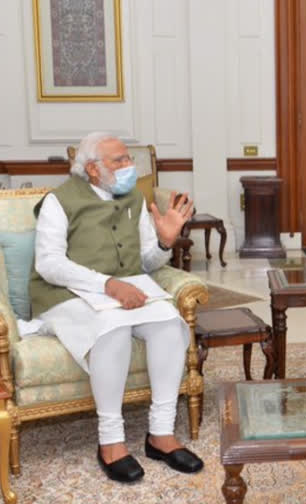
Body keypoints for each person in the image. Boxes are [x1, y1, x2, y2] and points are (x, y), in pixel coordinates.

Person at [29, 132, 203, 483]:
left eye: (129, 159)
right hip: (68, 294)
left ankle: (161, 434)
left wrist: (166, 241)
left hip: (125, 289)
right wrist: (107, 284)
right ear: (92, 169)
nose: (130, 166)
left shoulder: (135, 199)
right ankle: (110, 442)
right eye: (119, 160)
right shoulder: (59, 201)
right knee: (114, 330)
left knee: (170, 323)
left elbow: (146, 262)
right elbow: (48, 263)